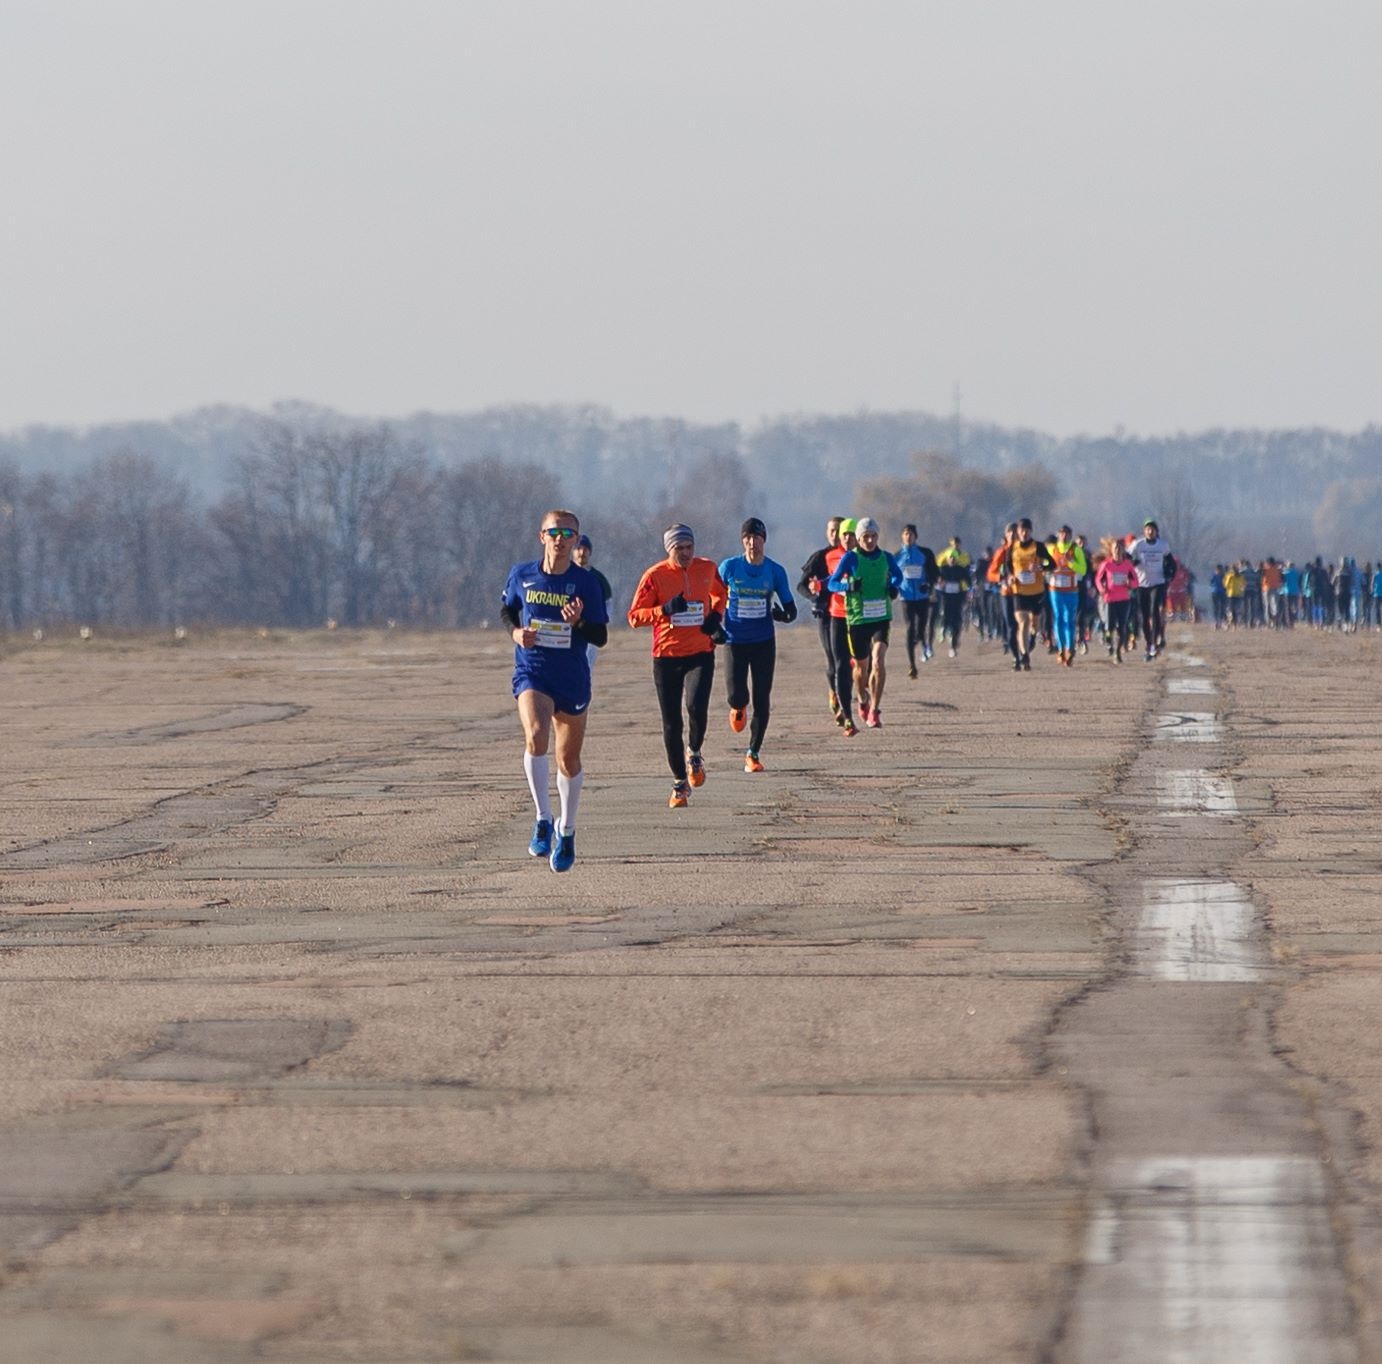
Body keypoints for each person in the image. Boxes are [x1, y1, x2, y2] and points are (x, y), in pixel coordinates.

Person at [499, 508, 610, 872]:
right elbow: (508, 611)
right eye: (554, 533)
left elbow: (600, 636)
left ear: (576, 540)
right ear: (541, 536)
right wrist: (517, 633)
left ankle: (567, 829)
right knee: (535, 735)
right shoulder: (522, 575)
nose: (560, 540)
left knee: (568, 760)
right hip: (533, 671)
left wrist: (579, 621)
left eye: (567, 534)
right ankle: (543, 819)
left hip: (572, 677)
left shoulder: (586, 583)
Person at [628, 524, 728, 808]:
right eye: (678, 548)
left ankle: (694, 752)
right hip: (666, 656)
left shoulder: (707, 568)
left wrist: (715, 617)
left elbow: (721, 593)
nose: (685, 553)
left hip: (700, 653)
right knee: (672, 723)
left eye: (689, 547)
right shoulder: (655, 576)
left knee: (696, 707)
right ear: (668, 549)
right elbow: (634, 617)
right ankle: (679, 782)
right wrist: (663, 610)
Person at [719, 517, 796, 772]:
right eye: (748, 538)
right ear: (743, 541)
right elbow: (713, 598)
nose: (753, 543)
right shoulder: (729, 568)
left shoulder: (774, 571)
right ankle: (737, 707)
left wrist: (782, 615)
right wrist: (713, 625)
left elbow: (791, 609)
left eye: (758, 538)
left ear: (764, 541)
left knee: (762, 698)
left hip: (763, 642)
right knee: (736, 695)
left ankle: (753, 753)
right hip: (734, 640)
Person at [826, 516, 902, 727]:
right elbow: (832, 584)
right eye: (865, 537)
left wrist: (893, 587)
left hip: (881, 617)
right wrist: (848, 587)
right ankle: (861, 698)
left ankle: (875, 710)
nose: (870, 541)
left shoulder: (886, 557)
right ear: (859, 538)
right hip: (858, 619)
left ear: (878, 537)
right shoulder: (850, 558)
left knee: (878, 660)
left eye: (873, 536)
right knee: (861, 667)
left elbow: (898, 576)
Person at [799, 516, 845, 723]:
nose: (835, 535)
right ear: (827, 533)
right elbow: (801, 586)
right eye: (832, 531)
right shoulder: (819, 558)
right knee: (834, 659)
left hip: (849, 615)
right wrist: (815, 598)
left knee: (850, 660)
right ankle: (835, 694)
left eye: (839, 531)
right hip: (826, 616)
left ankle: (846, 695)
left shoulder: (852, 557)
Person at [1003, 519, 1054, 670]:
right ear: (1018, 532)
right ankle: (1024, 654)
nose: (1024, 533)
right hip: (1019, 591)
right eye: (1022, 531)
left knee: (1034, 623)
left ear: (1031, 531)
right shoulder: (1012, 548)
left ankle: (1032, 637)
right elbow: (1007, 566)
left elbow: (1052, 564)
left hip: (1036, 591)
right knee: (1023, 621)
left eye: (1027, 530)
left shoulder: (1038, 546)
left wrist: (1040, 567)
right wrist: (1010, 576)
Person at [896, 524, 938, 677]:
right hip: (906, 598)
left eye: (911, 534)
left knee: (921, 628)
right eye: (906, 534)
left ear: (916, 536)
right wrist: (894, 587)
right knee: (909, 628)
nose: (908, 537)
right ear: (902, 536)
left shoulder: (925, 553)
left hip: (922, 597)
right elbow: (892, 576)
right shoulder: (897, 556)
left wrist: (928, 584)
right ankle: (912, 665)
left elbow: (934, 573)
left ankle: (921, 642)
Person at [1130, 519, 1175, 660]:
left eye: (1152, 529)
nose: (1150, 532)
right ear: (1144, 531)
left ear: (1156, 532)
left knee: (1154, 612)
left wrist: (1170, 575)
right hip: (1141, 584)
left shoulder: (1163, 545)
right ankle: (1149, 643)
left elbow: (1171, 563)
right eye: (1147, 529)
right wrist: (1133, 563)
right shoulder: (1137, 544)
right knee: (1144, 617)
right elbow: (1126, 559)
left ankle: (1154, 644)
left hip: (1158, 583)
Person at [571, 533, 614, 670]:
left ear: (590, 552)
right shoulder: (566, 574)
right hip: (568, 627)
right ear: (573, 551)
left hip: (590, 626)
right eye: (578, 548)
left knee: (586, 664)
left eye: (585, 549)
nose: (582, 552)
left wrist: (602, 620)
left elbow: (608, 602)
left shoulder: (597, 578)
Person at [1048, 526, 1087, 666]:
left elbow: (1083, 570)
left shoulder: (1076, 550)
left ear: (1070, 535)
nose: (1064, 536)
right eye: (1061, 533)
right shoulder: (1052, 549)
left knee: (1069, 619)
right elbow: (1044, 565)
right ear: (1058, 535)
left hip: (1071, 590)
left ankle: (1070, 648)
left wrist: (1070, 563)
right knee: (1058, 618)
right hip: (1055, 590)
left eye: (1067, 534)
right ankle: (1060, 649)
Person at [1095, 536, 1138, 662]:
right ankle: (1109, 644)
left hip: (1124, 599)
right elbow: (1098, 580)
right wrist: (1102, 589)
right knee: (1109, 627)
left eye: (1120, 548)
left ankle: (1117, 652)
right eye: (1116, 548)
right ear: (1112, 550)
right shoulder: (1106, 565)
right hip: (1110, 600)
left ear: (1123, 550)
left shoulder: (1127, 565)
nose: (1118, 551)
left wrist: (1130, 584)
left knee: (1122, 627)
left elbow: (1136, 581)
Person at [935, 536, 973, 657]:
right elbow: (936, 580)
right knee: (946, 616)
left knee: (957, 620)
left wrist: (970, 591)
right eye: (950, 557)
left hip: (958, 597)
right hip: (946, 597)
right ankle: (943, 629)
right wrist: (939, 583)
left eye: (954, 558)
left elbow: (969, 581)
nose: (952, 559)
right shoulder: (943, 569)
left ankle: (953, 645)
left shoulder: (961, 569)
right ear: (947, 558)